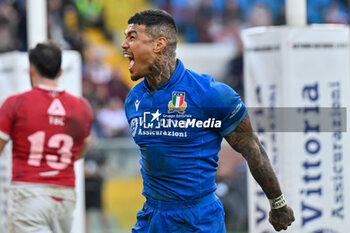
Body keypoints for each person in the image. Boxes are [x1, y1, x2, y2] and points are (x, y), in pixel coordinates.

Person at [121, 9, 295, 233]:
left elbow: (253, 149)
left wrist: (277, 203)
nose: (124, 44)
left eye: (132, 37)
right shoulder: (134, 99)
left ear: (158, 44)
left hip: (197, 220)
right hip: (151, 218)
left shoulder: (210, 95)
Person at [0, 41, 93, 233]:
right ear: (60, 72)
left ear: (31, 70)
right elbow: (81, 150)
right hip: (65, 196)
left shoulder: (16, 104)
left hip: (29, 192)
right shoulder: (82, 107)